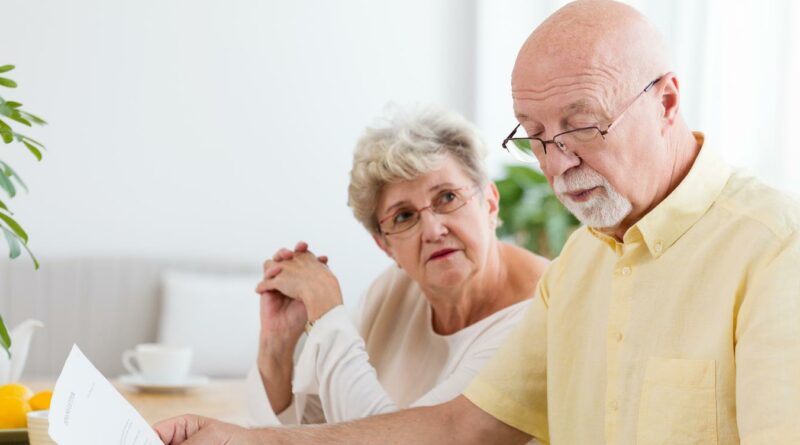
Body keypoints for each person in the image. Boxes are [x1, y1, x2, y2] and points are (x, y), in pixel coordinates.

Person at [154, 1, 800, 443]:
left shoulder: (775, 251)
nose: (559, 162)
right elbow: (462, 428)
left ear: (666, 101)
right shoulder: (582, 263)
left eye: (580, 123)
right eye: (537, 136)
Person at [243, 105, 549, 427]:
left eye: (446, 197)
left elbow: (390, 438)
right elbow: (316, 426)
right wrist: (276, 343)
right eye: (404, 216)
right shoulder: (395, 289)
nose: (433, 231)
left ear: (489, 201)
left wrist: (327, 310)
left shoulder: (540, 311)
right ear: (385, 245)